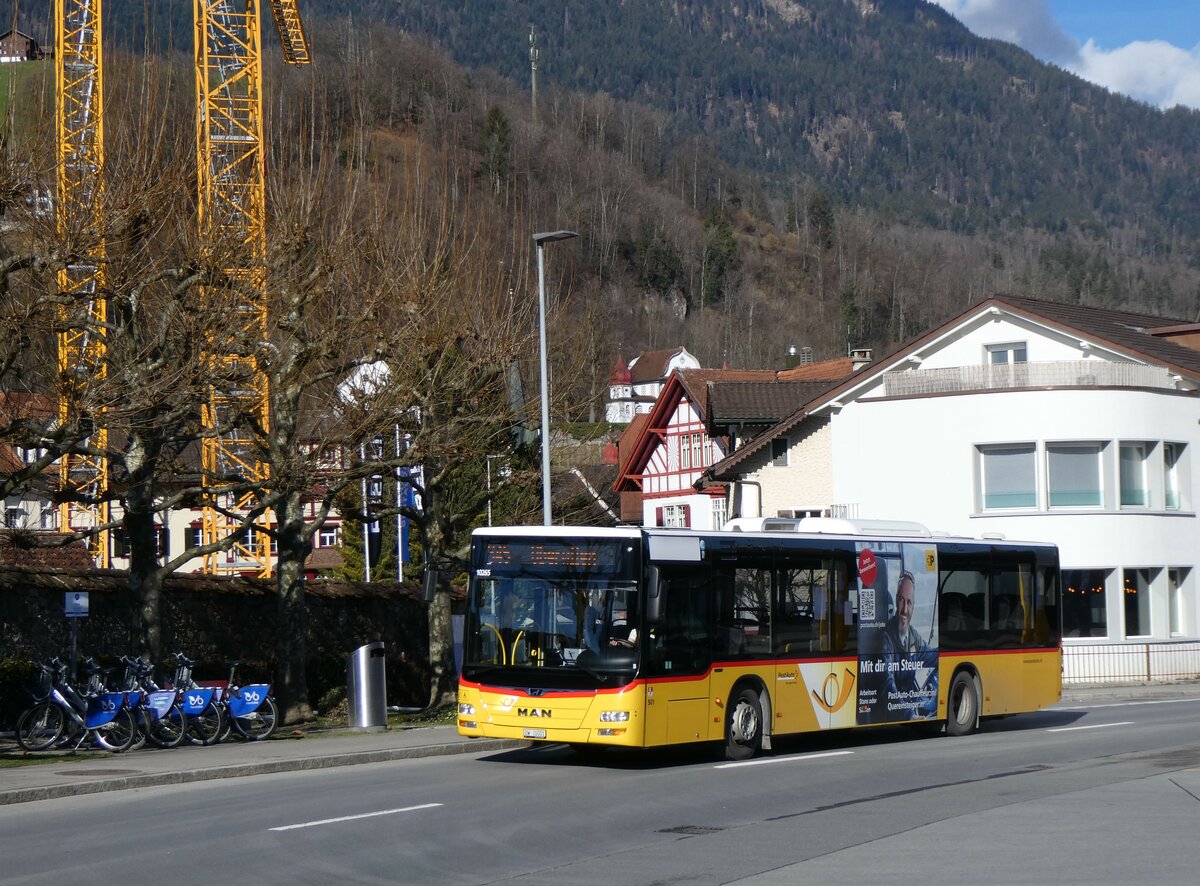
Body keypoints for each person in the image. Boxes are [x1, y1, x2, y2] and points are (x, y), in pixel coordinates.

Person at [879, 570, 938, 717]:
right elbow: (888, 685)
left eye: (909, 602)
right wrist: (909, 715)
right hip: (893, 713)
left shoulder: (913, 636)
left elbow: (932, 656)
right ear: (897, 601)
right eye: (901, 600)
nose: (905, 609)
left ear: (913, 607)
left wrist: (952, 650)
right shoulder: (886, 638)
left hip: (912, 707)